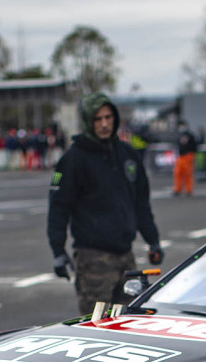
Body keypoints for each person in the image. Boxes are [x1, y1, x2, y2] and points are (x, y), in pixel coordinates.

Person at [47, 92, 163, 315]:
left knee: (130, 323)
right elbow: (59, 207)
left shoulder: (127, 155)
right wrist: (58, 251)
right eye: (98, 119)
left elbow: (140, 204)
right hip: (93, 259)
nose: (104, 124)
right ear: (88, 122)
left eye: (108, 118)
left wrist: (153, 240)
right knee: (96, 326)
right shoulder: (73, 160)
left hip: (126, 258)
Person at [173, 120, 198, 197]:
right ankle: (177, 189)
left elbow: (194, 145)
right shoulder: (179, 135)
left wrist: (192, 154)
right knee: (177, 173)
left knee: (187, 174)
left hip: (188, 155)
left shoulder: (190, 135)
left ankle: (188, 190)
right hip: (181, 156)